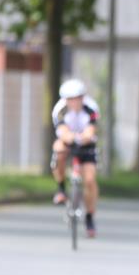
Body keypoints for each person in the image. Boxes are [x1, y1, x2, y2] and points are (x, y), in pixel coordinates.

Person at [51, 78, 100, 238]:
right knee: (58, 150)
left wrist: (84, 137)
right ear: (65, 99)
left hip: (87, 144)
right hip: (68, 140)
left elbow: (91, 131)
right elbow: (63, 132)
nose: (75, 102)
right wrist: (72, 137)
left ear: (83, 97)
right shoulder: (59, 110)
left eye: (78, 98)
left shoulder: (91, 108)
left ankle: (90, 217)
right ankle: (61, 188)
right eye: (71, 99)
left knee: (90, 180)